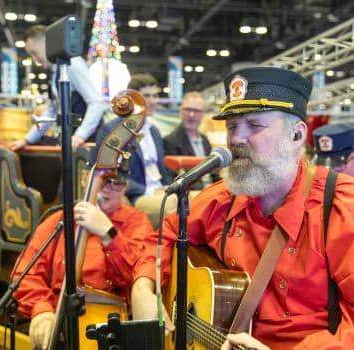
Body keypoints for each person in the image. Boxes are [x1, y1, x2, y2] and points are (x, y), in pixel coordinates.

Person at [131, 67, 354, 349]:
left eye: (254, 126)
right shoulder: (222, 200)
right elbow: (166, 233)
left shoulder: (341, 209)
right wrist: (143, 286)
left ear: (297, 136)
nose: (236, 139)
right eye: (232, 126)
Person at [11, 173, 153, 350]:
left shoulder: (136, 222)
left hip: (108, 327)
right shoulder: (59, 220)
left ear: (125, 187)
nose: (107, 188)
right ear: (85, 178)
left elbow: (134, 279)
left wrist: (108, 233)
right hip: (58, 320)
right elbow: (25, 272)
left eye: (116, 183)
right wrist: (42, 310)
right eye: (101, 180)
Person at [8, 25, 105, 151]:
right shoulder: (56, 70)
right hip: (73, 142)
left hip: (88, 143)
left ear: (46, 43)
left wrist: (79, 136)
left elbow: (96, 103)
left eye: (34, 53)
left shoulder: (71, 63)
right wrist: (27, 139)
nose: (34, 59)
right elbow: (51, 110)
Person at [95, 73, 170, 203]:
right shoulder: (114, 130)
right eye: (146, 96)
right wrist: (150, 191)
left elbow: (162, 170)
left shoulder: (154, 131)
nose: (152, 101)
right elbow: (111, 175)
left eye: (155, 96)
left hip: (161, 192)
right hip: (137, 195)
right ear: (132, 99)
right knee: (175, 207)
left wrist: (171, 188)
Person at [163, 91, 219, 188]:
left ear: (203, 114)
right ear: (180, 111)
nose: (191, 114)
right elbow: (174, 179)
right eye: (188, 109)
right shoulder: (171, 141)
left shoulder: (204, 140)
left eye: (196, 111)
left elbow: (212, 171)